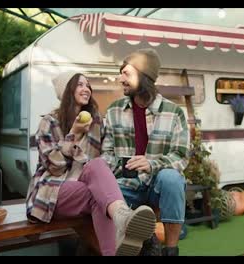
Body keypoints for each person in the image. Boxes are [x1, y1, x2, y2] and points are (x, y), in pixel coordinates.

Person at [25, 72, 156, 256]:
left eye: (88, 85)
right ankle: (121, 222)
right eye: (80, 85)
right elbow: (54, 166)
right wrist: (73, 134)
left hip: (85, 185)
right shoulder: (49, 122)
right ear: (66, 91)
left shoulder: (95, 123)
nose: (86, 89)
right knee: (99, 194)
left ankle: (122, 217)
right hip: (52, 190)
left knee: (98, 167)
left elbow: (106, 159)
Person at [101, 49, 190, 256]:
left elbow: (181, 155)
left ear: (145, 77)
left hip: (157, 186)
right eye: (120, 73)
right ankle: (126, 247)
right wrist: (112, 168)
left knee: (172, 179)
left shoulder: (174, 112)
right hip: (126, 185)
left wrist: (151, 164)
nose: (120, 78)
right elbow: (107, 152)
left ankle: (171, 250)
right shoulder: (113, 111)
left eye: (127, 74)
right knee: (100, 195)